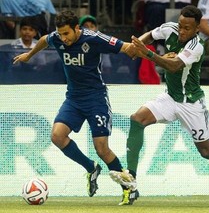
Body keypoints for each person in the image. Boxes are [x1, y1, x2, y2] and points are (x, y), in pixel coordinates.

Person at [109, 5, 209, 205]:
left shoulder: (196, 46)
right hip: (170, 98)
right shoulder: (170, 28)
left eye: (187, 28)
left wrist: (147, 54)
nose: (181, 31)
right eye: (180, 26)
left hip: (191, 104)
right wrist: (134, 46)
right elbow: (151, 35)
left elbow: (173, 66)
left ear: (197, 28)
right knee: (137, 119)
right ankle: (132, 181)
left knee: (205, 151)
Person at [13, 10, 137, 202]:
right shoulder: (57, 37)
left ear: (77, 28)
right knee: (57, 136)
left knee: (102, 149)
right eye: (60, 34)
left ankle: (129, 187)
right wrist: (29, 55)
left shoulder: (94, 39)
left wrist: (153, 55)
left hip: (96, 98)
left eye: (66, 34)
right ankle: (91, 168)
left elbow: (126, 47)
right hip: (74, 98)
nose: (63, 38)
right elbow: (45, 39)